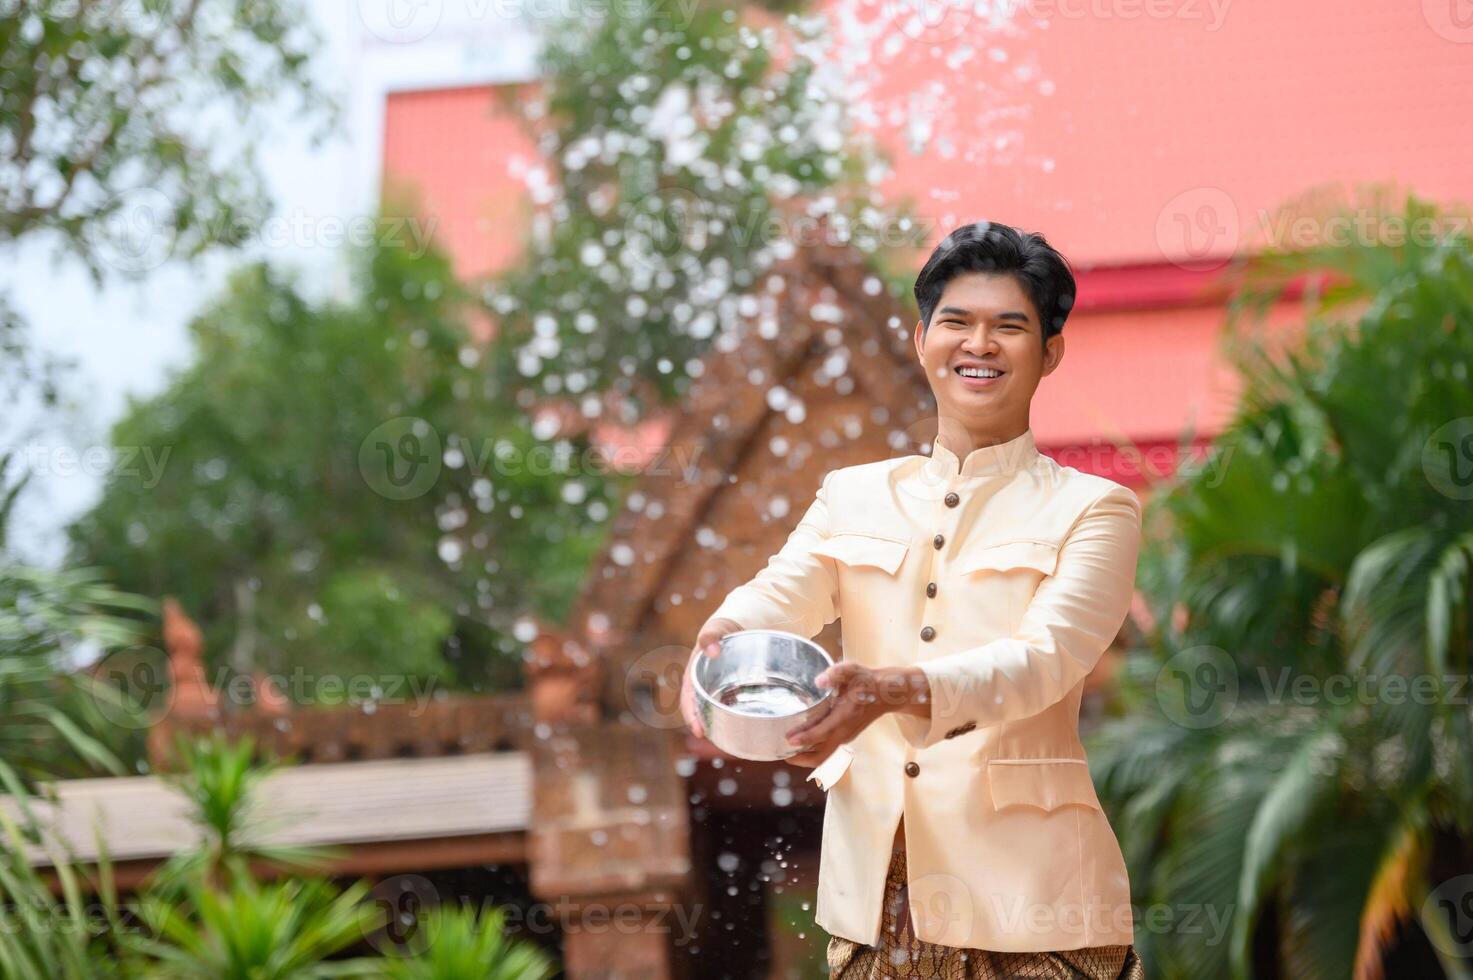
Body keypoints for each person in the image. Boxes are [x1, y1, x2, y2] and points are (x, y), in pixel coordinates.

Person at [679, 221, 1148, 978]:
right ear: (920, 337)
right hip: (873, 909)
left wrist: (896, 689)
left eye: (1009, 327)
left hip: (1034, 907)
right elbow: (782, 592)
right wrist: (722, 636)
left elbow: (1042, 661)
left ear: (1049, 352)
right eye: (956, 323)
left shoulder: (1095, 510)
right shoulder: (851, 493)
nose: (978, 345)